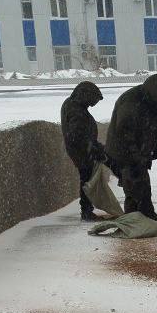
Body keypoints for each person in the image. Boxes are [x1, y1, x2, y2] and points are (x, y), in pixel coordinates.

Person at [105, 72, 157, 220]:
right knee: (135, 186)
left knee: (141, 186)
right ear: (153, 89)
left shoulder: (154, 99)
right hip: (124, 153)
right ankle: (138, 221)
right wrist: (136, 155)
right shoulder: (131, 101)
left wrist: (155, 145)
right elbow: (124, 132)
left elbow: (155, 124)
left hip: (140, 152)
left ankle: (142, 220)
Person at [60, 81, 106, 221]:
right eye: (92, 101)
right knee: (86, 180)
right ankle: (86, 211)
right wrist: (92, 147)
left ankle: (87, 209)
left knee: (86, 179)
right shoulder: (76, 110)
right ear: (85, 95)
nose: (92, 105)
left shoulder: (72, 105)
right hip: (82, 152)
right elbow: (77, 135)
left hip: (83, 150)